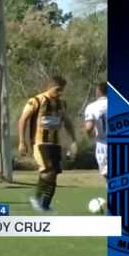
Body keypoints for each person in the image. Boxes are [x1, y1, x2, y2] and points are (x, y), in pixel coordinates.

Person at [18, 76, 77, 212]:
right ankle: (36, 198)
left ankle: (45, 205)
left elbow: (66, 122)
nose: (60, 93)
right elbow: (23, 120)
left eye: (62, 90)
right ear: (49, 87)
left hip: (55, 143)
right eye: (58, 89)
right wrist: (22, 142)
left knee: (54, 172)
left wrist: (73, 140)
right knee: (48, 169)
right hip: (40, 142)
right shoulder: (36, 100)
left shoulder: (62, 103)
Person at [84, 82, 107, 180]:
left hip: (103, 144)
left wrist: (89, 136)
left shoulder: (92, 107)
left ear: (98, 92)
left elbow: (89, 127)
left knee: (107, 174)